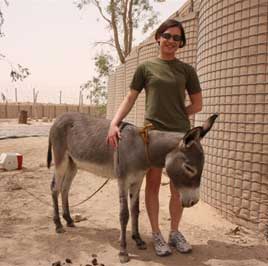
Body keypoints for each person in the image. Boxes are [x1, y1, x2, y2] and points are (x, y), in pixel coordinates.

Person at [106, 19, 202, 256]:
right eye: (167, 36)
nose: (171, 41)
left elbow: (198, 105)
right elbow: (130, 98)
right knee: (153, 184)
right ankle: (157, 234)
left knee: (177, 188)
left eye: (177, 38)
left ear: (181, 44)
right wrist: (114, 122)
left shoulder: (187, 71)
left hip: (180, 136)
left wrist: (180, 114)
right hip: (152, 136)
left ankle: (175, 232)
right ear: (159, 37)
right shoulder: (145, 68)